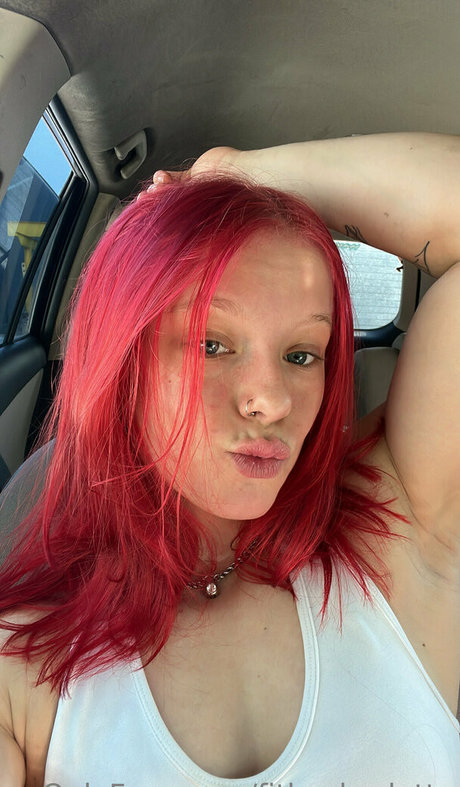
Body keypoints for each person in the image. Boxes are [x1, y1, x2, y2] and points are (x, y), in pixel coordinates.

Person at [0, 133, 459, 786]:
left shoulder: (397, 543)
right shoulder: (26, 666)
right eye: (211, 344)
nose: (272, 401)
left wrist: (238, 171)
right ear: (122, 359)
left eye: (301, 354)